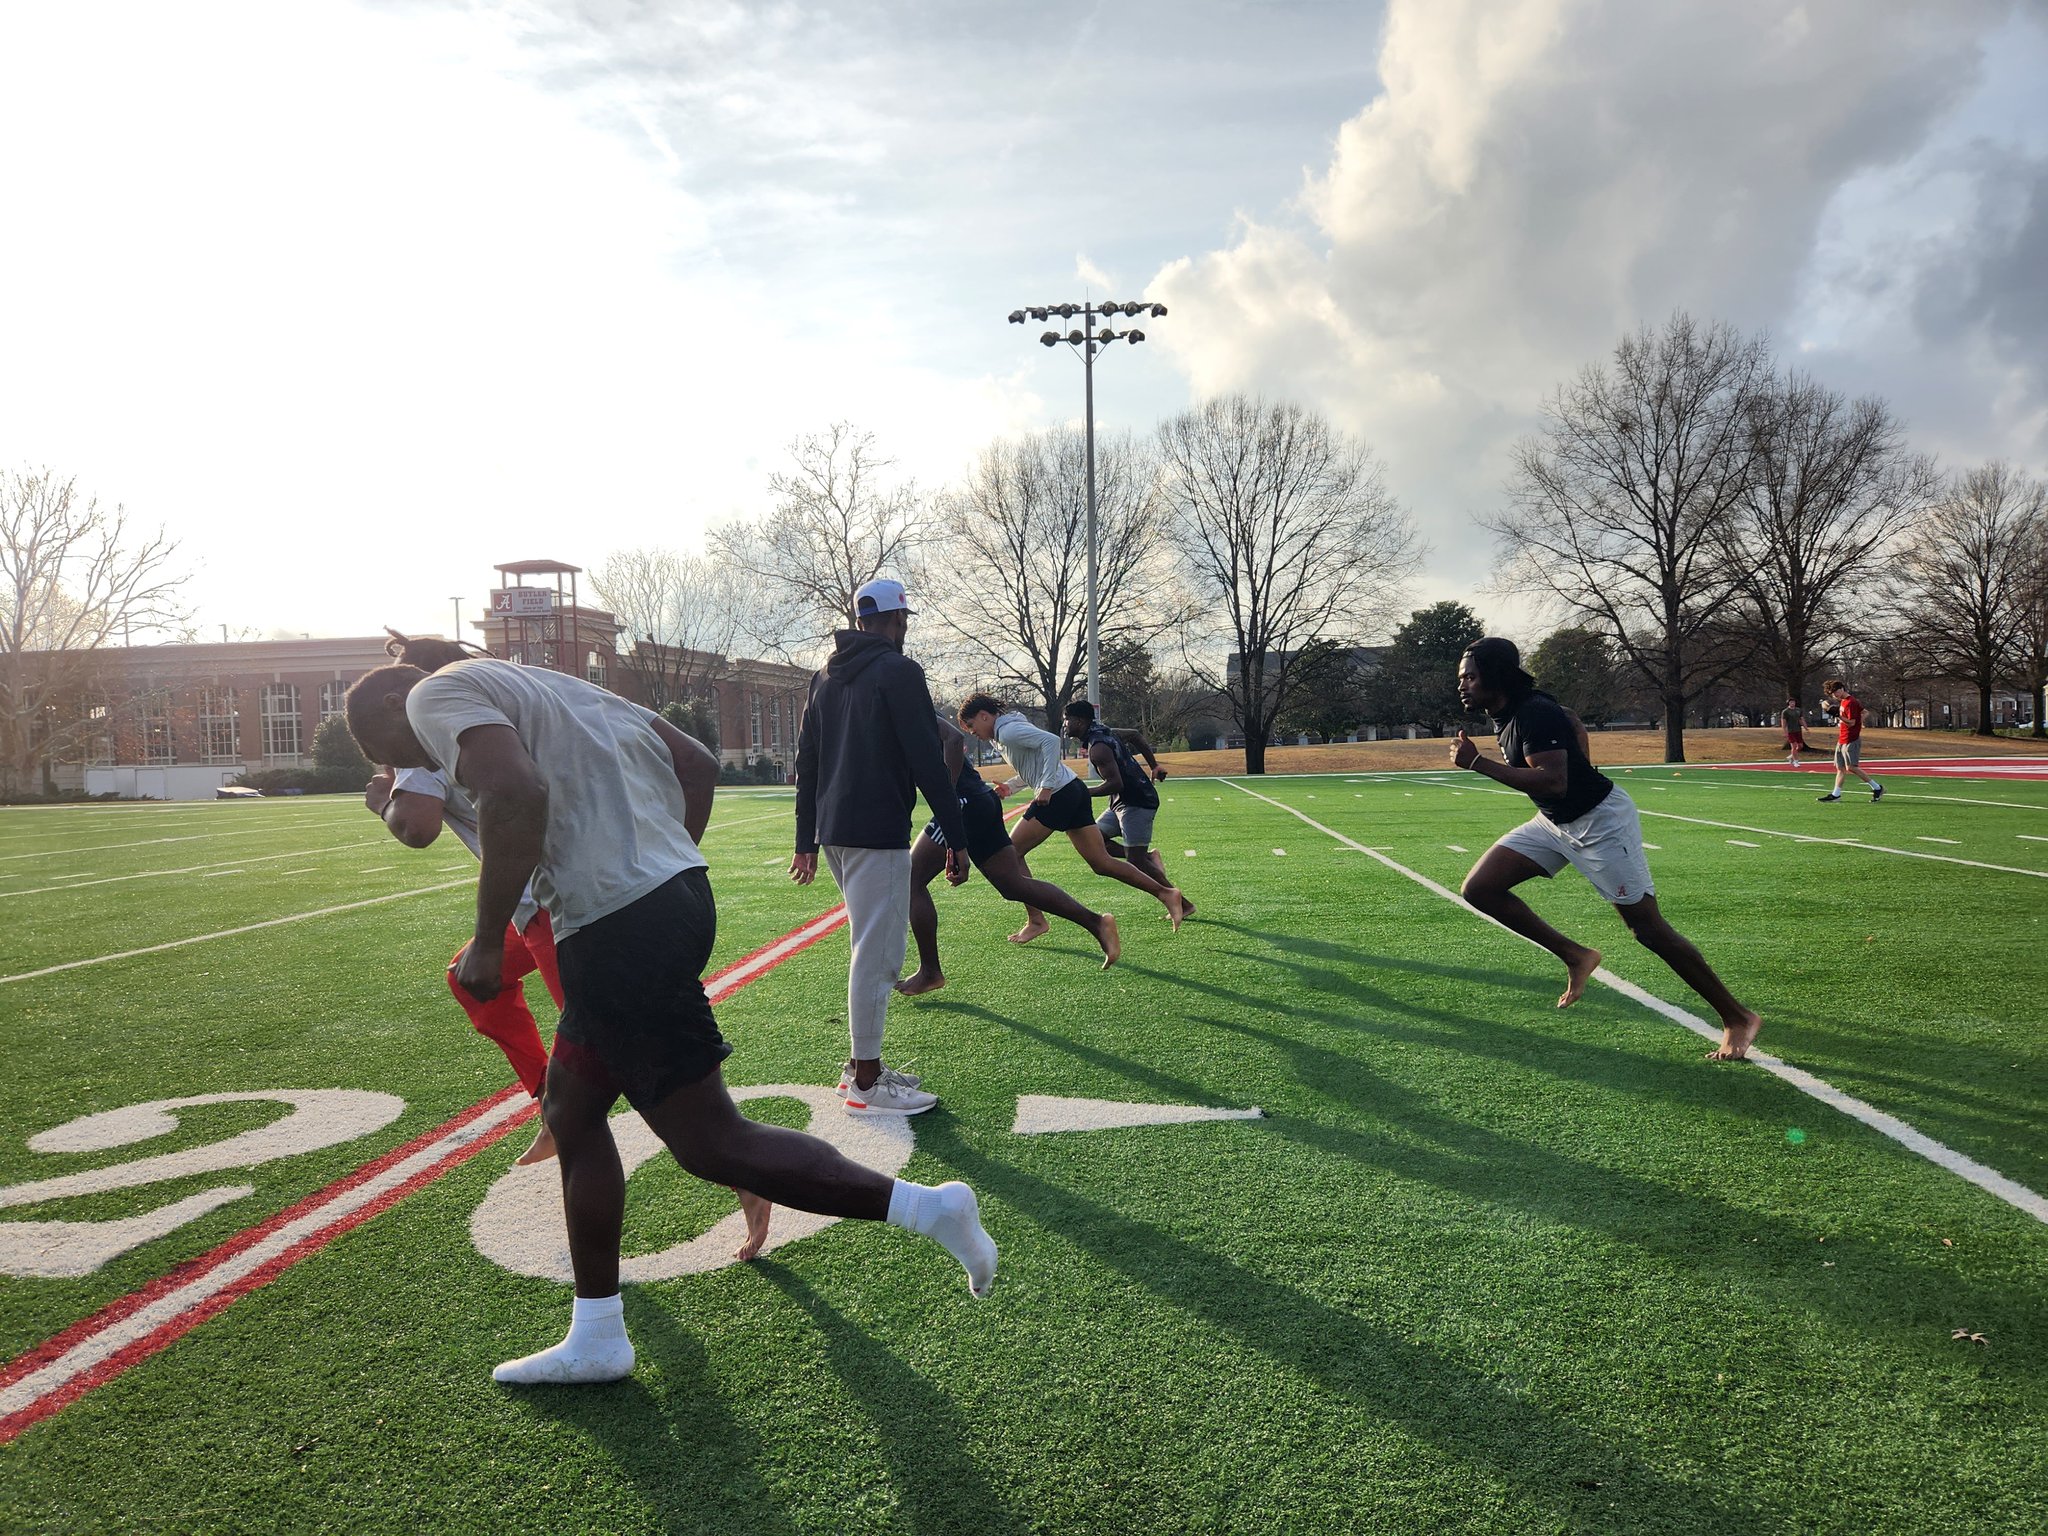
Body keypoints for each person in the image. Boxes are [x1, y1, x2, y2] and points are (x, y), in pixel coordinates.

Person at [346, 652, 996, 1385]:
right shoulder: (550, 683)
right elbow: (692, 760)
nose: (420, 766)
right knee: (573, 1109)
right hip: (672, 896)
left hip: (613, 924)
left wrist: (492, 937)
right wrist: (665, 861)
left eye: (406, 757)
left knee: (711, 1142)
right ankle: (597, 1333)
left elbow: (512, 789)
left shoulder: (432, 693)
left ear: (396, 713)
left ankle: (929, 1210)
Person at [1449, 637, 1762, 1062]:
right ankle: (1577, 956)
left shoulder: (1531, 712)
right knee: (1480, 888)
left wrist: (1477, 764)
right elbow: (1571, 719)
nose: (1462, 685)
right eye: (1461, 678)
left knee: (1647, 930)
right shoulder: (1512, 711)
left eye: (1470, 676)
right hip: (1555, 822)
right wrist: (1582, 767)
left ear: (1496, 675)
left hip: (1600, 823)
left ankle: (1737, 1017)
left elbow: (1554, 781)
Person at [791, 578, 970, 1115]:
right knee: (879, 954)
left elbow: (808, 764)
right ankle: (867, 1081)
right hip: (877, 830)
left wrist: (804, 836)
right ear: (897, 621)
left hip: (835, 832)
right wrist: (956, 838)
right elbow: (926, 759)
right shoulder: (899, 670)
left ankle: (859, 1066)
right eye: (904, 620)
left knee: (865, 946)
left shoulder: (822, 677)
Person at [896, 713, 1119, 996]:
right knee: (1012, 884)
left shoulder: (901, 699)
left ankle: (930, 972)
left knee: (911, 881)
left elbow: (953, 738)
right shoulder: (888, 707)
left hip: (964, 805)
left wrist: (947, 801)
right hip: (980, 801)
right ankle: (1097, 923)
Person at [957, 693, 1188, 941]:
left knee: (1011, 855)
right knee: (1101, 862)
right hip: (1072, 789)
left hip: (1058, 795)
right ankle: (1166, 893)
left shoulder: (1009, 731)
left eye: (971, 725)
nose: (971, 732)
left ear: (984, 716)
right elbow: (1036, 762)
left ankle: (1036, 920)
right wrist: (1011, 787)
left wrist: (1045, 787)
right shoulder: (1006, 733)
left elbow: (1051, 742)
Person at [1060, 700, 1189, 903]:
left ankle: (1183, 904)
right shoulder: (1106, 731)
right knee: (1096, 840)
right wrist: (1154, 765)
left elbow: (1115, 784)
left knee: (1134, 861)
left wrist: (1082, 792)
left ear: (1080, 721)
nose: (1064, 724)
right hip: (1120, 803)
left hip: (1137, 802)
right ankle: (1149, 857)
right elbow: (1135, 735)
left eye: (1067, 720)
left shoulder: (1098, 748)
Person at [1816, 678, 1884, 803]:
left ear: (1841, 689)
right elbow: (1865, 712)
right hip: (1842, 738)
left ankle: (1877, 787)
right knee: (1840, 768)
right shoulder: (1843, 701)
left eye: (1835, 692)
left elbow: (1851, 723)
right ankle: (1836, 794)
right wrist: (1859, 721)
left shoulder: (1850, 702)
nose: (1835, 695)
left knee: (1852, 767)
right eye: (1832, 694)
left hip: (1851, 739)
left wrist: (1839, 716)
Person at [1781, 699, 1808, 769]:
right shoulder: (1785, 712)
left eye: (1793, 702)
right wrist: (1785, 731)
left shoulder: (1798, 710)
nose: (1792, 703)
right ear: (1788, 703)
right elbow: (1783, 722)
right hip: (1790, 731)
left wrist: (1806, 727)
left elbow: (1801, 719)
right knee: (1794, 746)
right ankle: (1796, 761)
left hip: (1798, 730)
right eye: (1791, 702)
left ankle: (1791, 756)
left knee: (1800, 746)